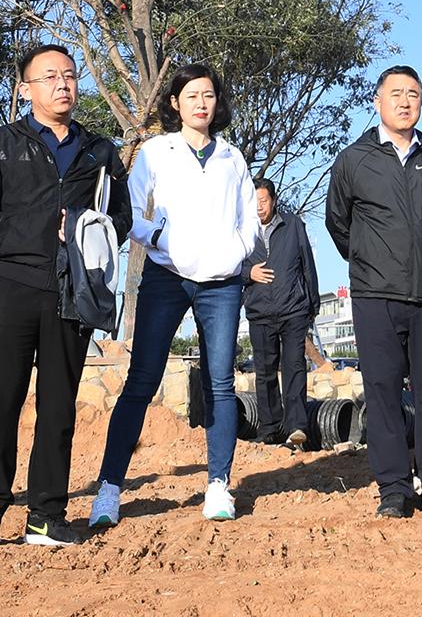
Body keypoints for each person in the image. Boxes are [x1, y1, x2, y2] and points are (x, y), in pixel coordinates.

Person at [0, 44, 132, 546]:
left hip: (71, 292)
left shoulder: (100, 152)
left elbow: (119, 217)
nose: (63, 85)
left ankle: (46, 516)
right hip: (9, 288)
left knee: (58, 410)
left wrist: (82, 226)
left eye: (70, 76)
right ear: (25, 89)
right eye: (50, 76)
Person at [89, 63, 257, 526]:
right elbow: (130, 209)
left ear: (217, 103)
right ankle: (109, 489)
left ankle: (218, 484)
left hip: (221, 283)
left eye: (209, 95)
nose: (202, 103)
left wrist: (237, 249)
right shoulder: (156, 151)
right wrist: (158, 238)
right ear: (175, 103)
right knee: (142, 380)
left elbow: (249, 217)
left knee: (220, 383)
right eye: (192, 96)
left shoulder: (232, 157)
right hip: (166, 277)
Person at [325, 65, 422, 519]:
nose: (405, 102)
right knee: (383, 394)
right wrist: (368, 260)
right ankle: (395, 489)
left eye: (413, 94)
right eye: (396, 93)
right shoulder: (353, 159)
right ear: (378, 101)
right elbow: (338, 223)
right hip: (375, 296)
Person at [243, 177, 321, 448]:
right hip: (259, 311)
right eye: (255, 202)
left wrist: (313, 304)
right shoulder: (242, 231)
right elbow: (230, 266)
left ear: (273, 200)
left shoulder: (293, 225)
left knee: (294, 367)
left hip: (293, 309)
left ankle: (296, 427)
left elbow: (307, 263)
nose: (259, 207)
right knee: (264, 372)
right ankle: (269, 429)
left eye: (263, 201)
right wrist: (248, 273)